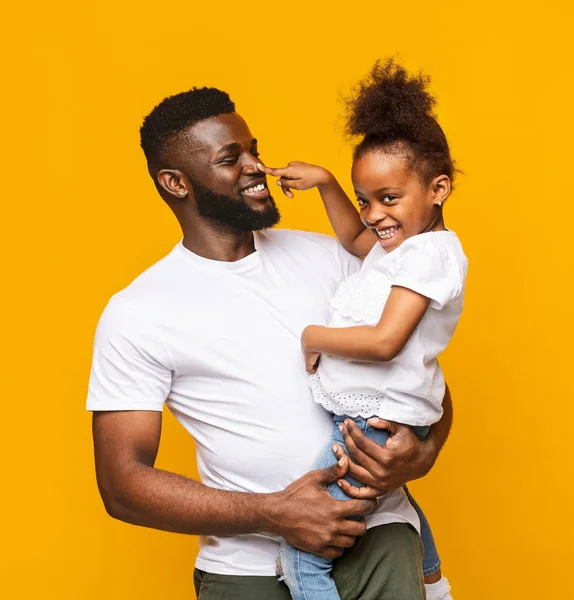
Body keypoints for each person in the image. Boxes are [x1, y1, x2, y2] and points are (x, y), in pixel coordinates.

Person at [87, 85, 454, 599]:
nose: (257, 166)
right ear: (176, 183)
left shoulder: (335, 259)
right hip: (245, 570)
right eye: (231, 158)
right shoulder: (138, 312)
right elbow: (122, 483)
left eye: (255, 149)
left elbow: (416, 374)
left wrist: (423, 453)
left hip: (379, 539)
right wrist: (274, 514)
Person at [258, 59, 465, 600]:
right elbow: (355, 242)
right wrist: (327, 182)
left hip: (373, 418)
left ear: (438, 187)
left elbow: (383, 341)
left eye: (388, 198)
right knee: (382, 491)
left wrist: (313, 336)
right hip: (376, 413)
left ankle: (427, 579)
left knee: (302, 558)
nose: (374, 215)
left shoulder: (428, 257)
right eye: (364, 200)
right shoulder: (404, 246)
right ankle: (432, 578)